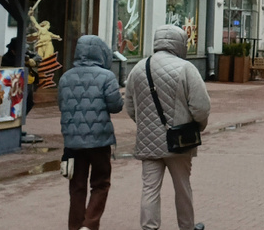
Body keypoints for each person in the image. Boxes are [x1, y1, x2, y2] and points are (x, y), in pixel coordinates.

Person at [124, 25, 210, 230]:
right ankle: (187, 227)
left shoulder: (138, 68)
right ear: (179, 43)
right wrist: (197, 126)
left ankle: (149, 228)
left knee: (149, 189)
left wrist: (146, 125)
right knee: (183, 188)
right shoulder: (186, 68)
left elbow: (130, 106)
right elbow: (201, 106)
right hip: (180, 142)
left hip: (148, 141)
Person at [58, 35, 123, 230]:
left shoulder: (65, 77)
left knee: (77, 186)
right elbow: (116, 106)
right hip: (100, 140)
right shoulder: (106, 76)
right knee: (101, 183)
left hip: (73, 142)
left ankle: (75, 226)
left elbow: (61, 105)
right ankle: (90, 224)